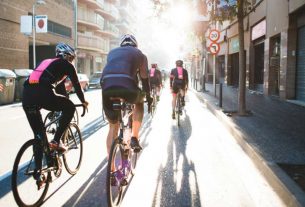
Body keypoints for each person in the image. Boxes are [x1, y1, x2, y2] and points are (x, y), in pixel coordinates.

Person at [22, 43, 89, 187]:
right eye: (71, 58)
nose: (71, 61)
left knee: (39, 136)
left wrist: (62, 100)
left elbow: (59, 89)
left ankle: (39, 172)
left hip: (26, 95)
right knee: (70, 108)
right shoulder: (67, 65)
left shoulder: (47, 63)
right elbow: (77, 85)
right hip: (43, 93)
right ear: (67, 56)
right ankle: (56, 141)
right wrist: (83, 102)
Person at [101, 34, 152, 155]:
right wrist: (148, 97)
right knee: (139, 102)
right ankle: (134, 137)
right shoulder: (140, 55)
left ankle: (111, 170)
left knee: (112, 127)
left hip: (107, 87)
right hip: (127, 87)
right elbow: (144, 78)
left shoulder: (112, 52)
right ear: (136, 45)